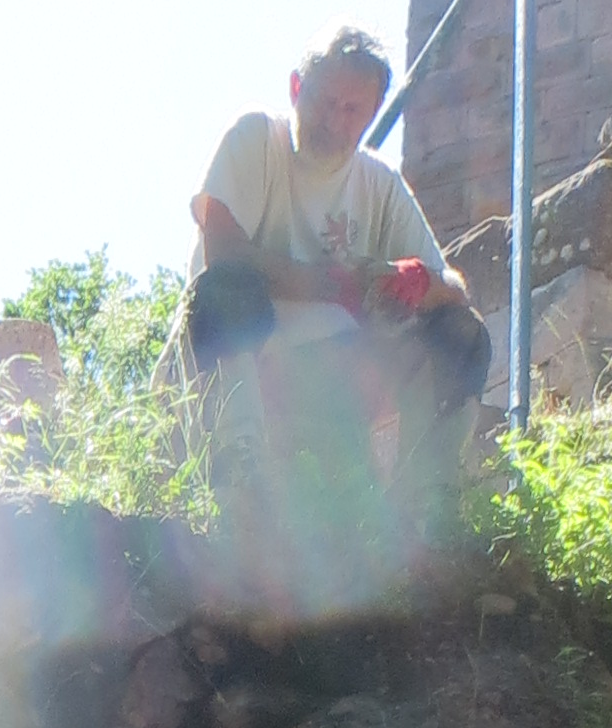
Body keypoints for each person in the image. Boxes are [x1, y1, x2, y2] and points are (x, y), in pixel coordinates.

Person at [185, 24, 491, 476]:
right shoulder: (257, 139)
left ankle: (429, 495)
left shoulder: (380, 184)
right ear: (296, 88)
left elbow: (455, 290)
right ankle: (239, 470)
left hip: (333, 382)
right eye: (326, 102)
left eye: (351, 110)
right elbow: (224, 252)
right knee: (228, 288)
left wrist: (415, 281)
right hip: (242, 373)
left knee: (462, 333)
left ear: (372, 114)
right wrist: (336, 286)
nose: (334, 122)